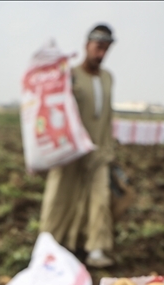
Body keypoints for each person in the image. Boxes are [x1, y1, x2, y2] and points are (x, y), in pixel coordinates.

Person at [39, 24, 117, 268]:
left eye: (105, 49)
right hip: (69, 151)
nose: (101, 54)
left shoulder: (107, 78)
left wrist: (109, 149)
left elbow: (106, 116)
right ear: (87, 45)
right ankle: (48, 247)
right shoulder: (69, 75)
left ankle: (95, 248)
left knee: (100, 199)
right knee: (60, 197)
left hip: (99, 151)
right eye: (97, 47)